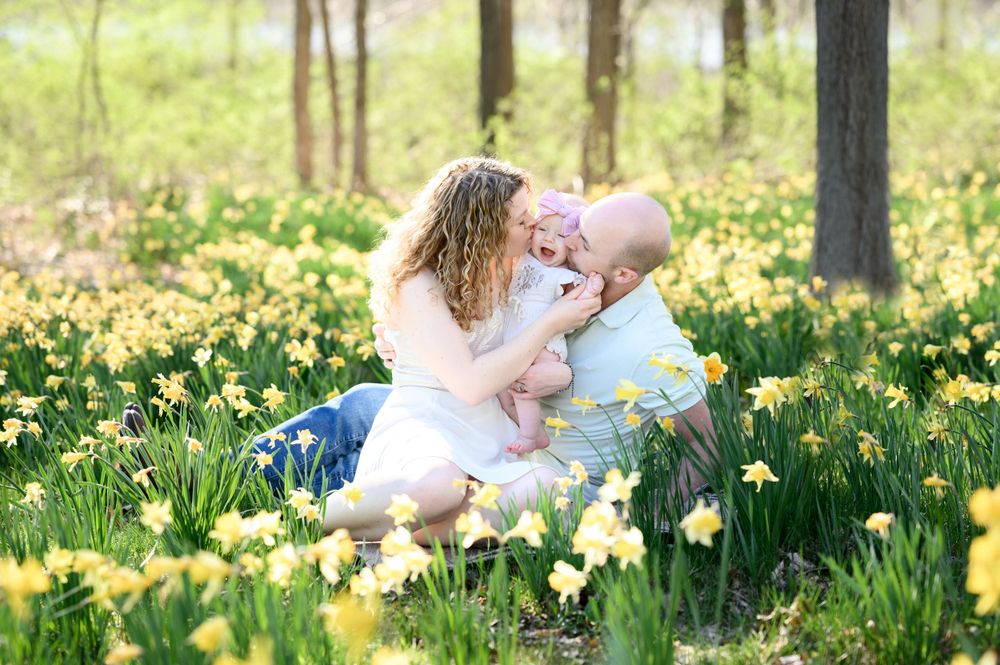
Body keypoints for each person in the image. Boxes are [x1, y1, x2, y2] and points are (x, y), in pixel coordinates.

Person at [253, 190, 716, 514]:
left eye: (584, 241)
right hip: (489, 419)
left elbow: (709, 442)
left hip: (526, 469)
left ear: (625, 276)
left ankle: (293, 512)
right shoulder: (575, 273)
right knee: (364, 404)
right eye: (578, 227)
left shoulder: (652, 348)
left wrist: (644, 517)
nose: (567, 240)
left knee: (395, 456)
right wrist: (412, 342)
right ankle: (227, 477)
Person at [257, 157, 602, 542]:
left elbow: (577, 223)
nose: (534, 225)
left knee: (549, 491)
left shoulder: (517, 263)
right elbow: (469, 384)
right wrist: (552, 322)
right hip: (425, 420)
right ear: (483, 231)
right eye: (521, 221)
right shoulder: (418, 282)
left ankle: (395, 529)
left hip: (489, 427)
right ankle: (302, 521)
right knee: (440, 486)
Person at [498, 189, 602, 455]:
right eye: (542, 229)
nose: (548, 239)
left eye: (561, 236)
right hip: (517, 334)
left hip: (545, 346)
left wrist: (593, 286)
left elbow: (580, 300)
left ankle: (529, 436)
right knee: (503, 393)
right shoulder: (524, 259)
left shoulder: (562, 275)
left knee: (523, 388)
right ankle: (536, 433)